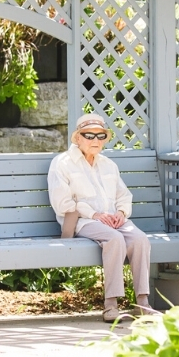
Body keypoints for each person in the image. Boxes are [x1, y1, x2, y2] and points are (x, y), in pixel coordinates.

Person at [47, 113, 161, 322]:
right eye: (89, 135)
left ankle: (142, 303)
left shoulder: (109, 164)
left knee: (140, 239)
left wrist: (121, 213)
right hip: (81, 221)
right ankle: (111, 304)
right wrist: (95, 214)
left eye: (100, 136)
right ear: (78, 138)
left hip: (113, 221)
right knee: (114, 239)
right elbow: (63, 204)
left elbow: (123, 195)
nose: (95, 141)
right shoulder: (62, 163)